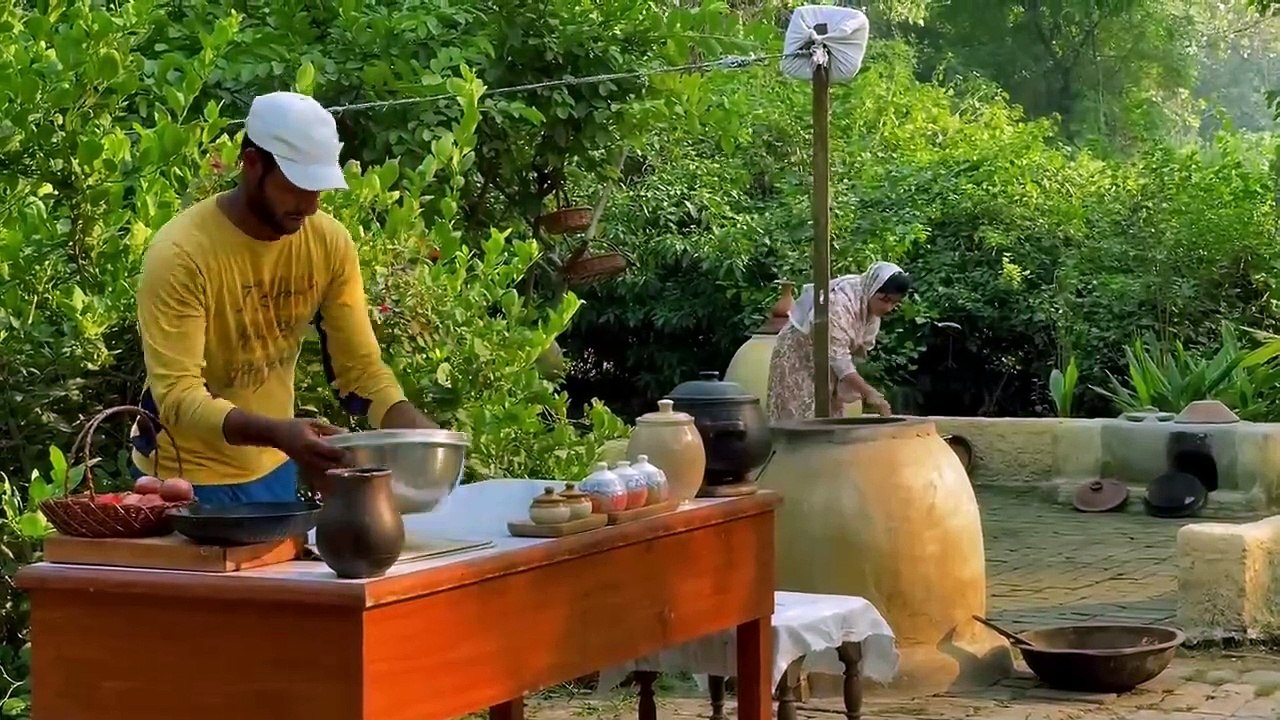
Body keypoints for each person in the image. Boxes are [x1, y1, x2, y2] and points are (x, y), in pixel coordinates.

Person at [130, 91, 437, 503]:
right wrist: (279, 432)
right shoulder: (182, 255)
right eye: (297, 185)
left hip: (274, 465)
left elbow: (359, 371)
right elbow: (178, 397)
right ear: (253, 165)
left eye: (319, 189)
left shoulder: (327, 243)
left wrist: (417, 436)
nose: (310, 205)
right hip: (185, 478)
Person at [767, 261, 911, 421]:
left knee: (831, 418)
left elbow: (852, 353)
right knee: (799, 417)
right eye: (885, 300)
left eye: (894, 303)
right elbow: (839, 358)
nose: (888, 308)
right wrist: (868, 392)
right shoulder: (839, 304)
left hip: (826, 365)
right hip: (798, 359)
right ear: (873, 288)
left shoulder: (869, 310)